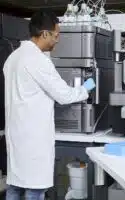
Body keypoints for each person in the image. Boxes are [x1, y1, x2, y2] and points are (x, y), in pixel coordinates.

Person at [4, 10, 96, 200]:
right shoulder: (38, 60)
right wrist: (86, 88)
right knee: (35, 190)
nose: (58, 40)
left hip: (16, 135)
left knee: (15, 187)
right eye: (56, 35)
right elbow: (64, 95)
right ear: (44, 33)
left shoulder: (13, 57)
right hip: (34, 139)